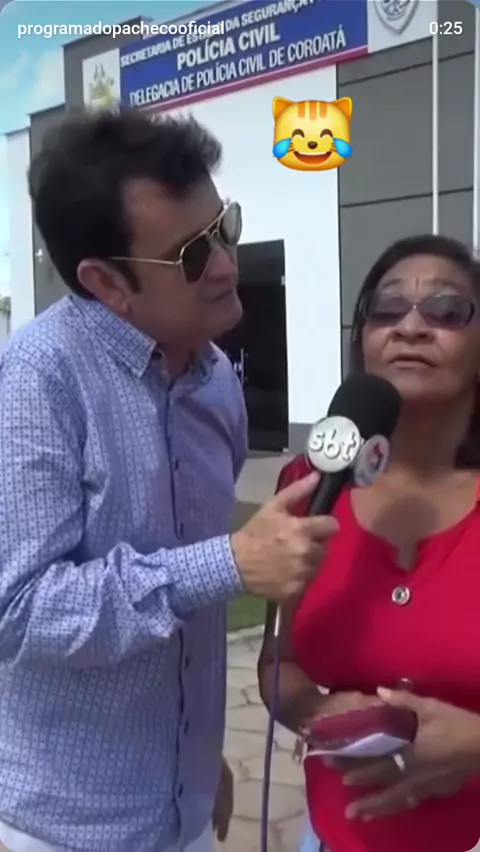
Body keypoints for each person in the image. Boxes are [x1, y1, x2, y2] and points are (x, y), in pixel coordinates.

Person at [0, 110, 337, 852]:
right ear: (105, 283)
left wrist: (195, 764)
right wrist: (230, 564)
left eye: (225, 227)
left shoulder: (216, 379)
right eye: (191, 253)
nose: (226, 264)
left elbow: (187, 621)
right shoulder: (39, 380)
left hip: (183, 808)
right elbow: (18, 610)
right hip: (69, 826)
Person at [258, 234, 480, 852]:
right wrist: (313, 711)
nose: (411, 326)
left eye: (446, 310)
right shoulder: (307, 485)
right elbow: (278, 661)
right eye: (387, 308)